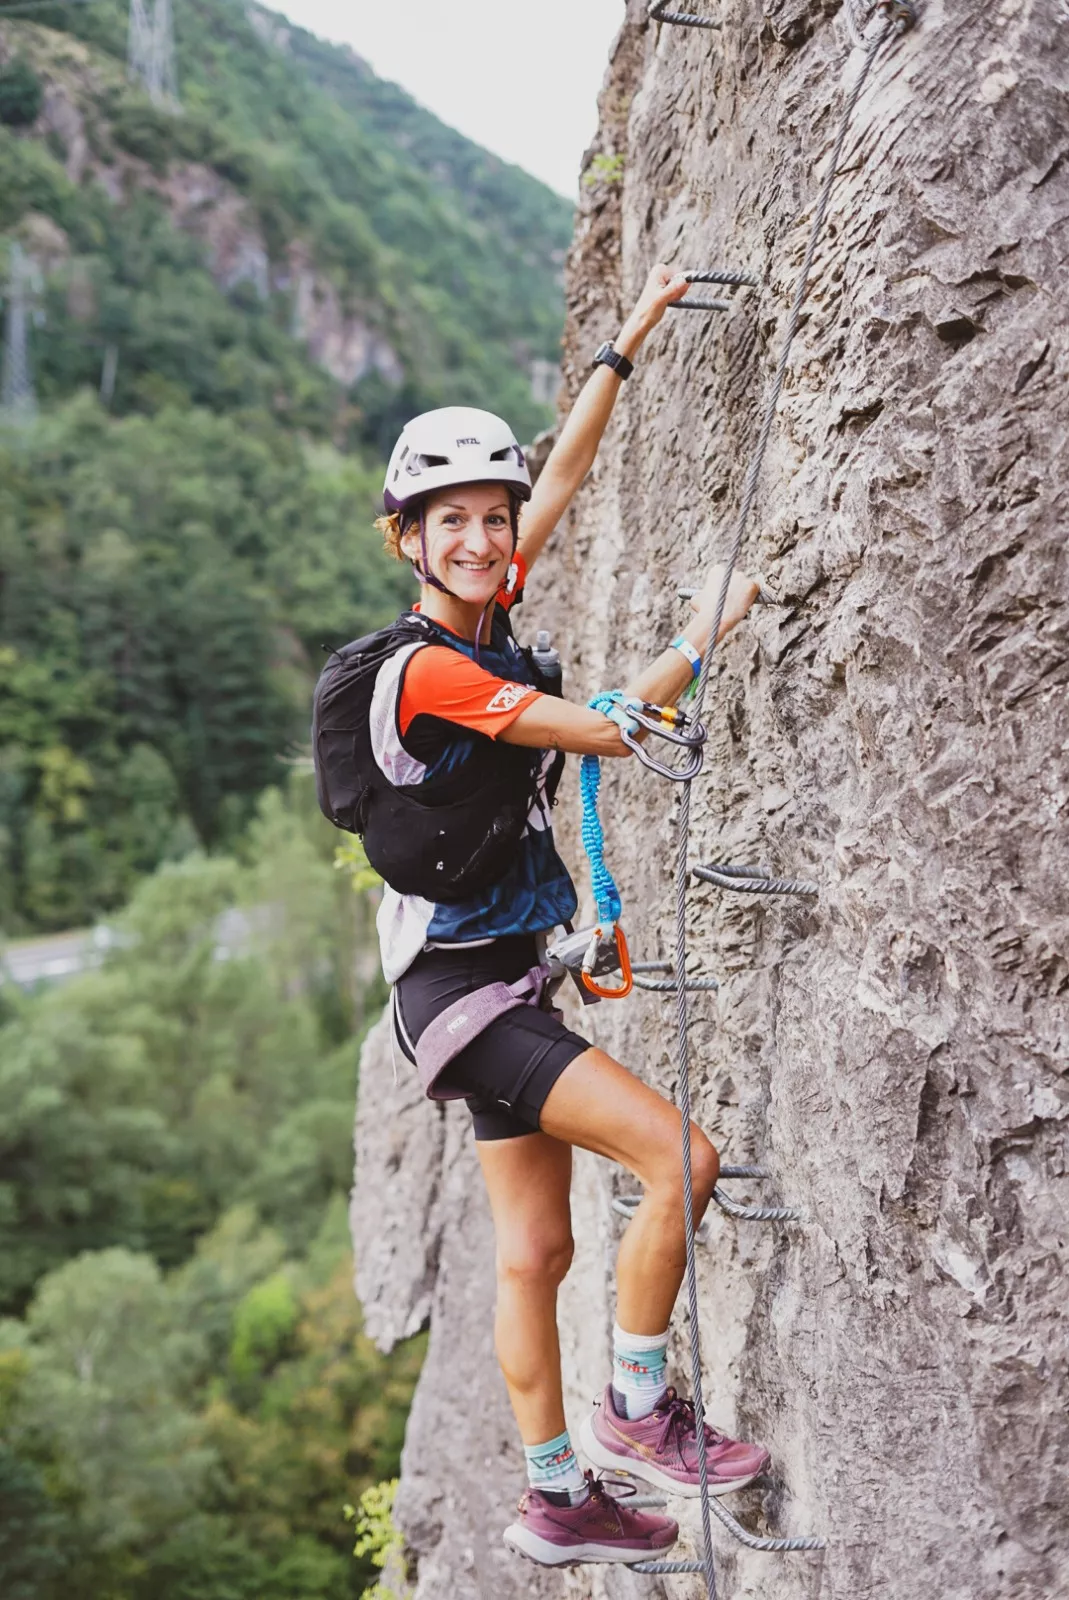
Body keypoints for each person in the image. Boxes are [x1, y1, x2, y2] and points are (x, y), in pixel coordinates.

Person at [372, 265, 768, 1568]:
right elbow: (597, 731)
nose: (484, 539)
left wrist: (630, 336)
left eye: (491, 519)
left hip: (479, 985)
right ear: (405, 539)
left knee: (534, 1253)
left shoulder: (483, 614)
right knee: (683, 1161)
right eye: (452, 522)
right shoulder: (427, 671)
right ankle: (637, 1409)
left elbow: (565, 479)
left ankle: (555, 1497)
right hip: (468, 1000)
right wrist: (704, 633)